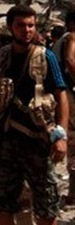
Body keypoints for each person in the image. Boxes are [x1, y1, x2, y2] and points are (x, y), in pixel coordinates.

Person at [0, 5, 68, 225]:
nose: (27, 30)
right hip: (6, 141)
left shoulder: (46, 56)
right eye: (21, 25)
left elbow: (61, 95)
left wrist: (60, 135)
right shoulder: (1, 56)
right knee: (1, 202)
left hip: (37, 141)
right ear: (10, 27)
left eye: (31, 25)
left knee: (47, 203)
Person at [52, 11, 75, 204]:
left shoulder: (58, 42)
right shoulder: (71, 37)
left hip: (62, 95)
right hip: (70, 94)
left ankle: (73, 192)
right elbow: (70, 59)